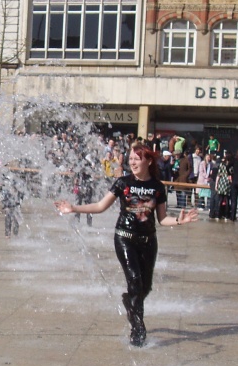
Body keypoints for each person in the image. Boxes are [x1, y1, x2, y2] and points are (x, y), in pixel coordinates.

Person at [54, 144, 199, 347]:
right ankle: (138, 328)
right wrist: (73, 208)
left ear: (148, 161)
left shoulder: (157, 186)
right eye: (130, 158)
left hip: (149, 241)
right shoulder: (123, 182)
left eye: (136, 159)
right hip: (124, 238)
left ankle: (129, 302)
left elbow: (162, 218)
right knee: (135, 281)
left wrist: (179, 221)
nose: (132, 162)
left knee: (145, 287)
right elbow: (100, 206)